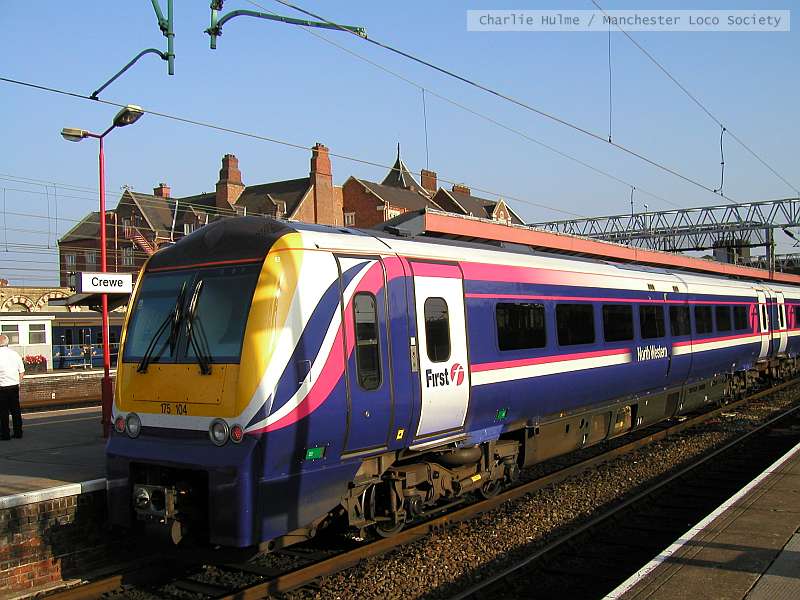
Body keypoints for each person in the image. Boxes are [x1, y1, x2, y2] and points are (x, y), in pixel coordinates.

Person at [0, 334, 25, 440]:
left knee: (3, 412)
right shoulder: (15, 354)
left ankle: (5, 434)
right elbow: (22, 372)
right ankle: (18, 432)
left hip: (2, 387)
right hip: (14, 386)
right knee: (16, 410)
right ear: (7, 342)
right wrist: (18, 382)